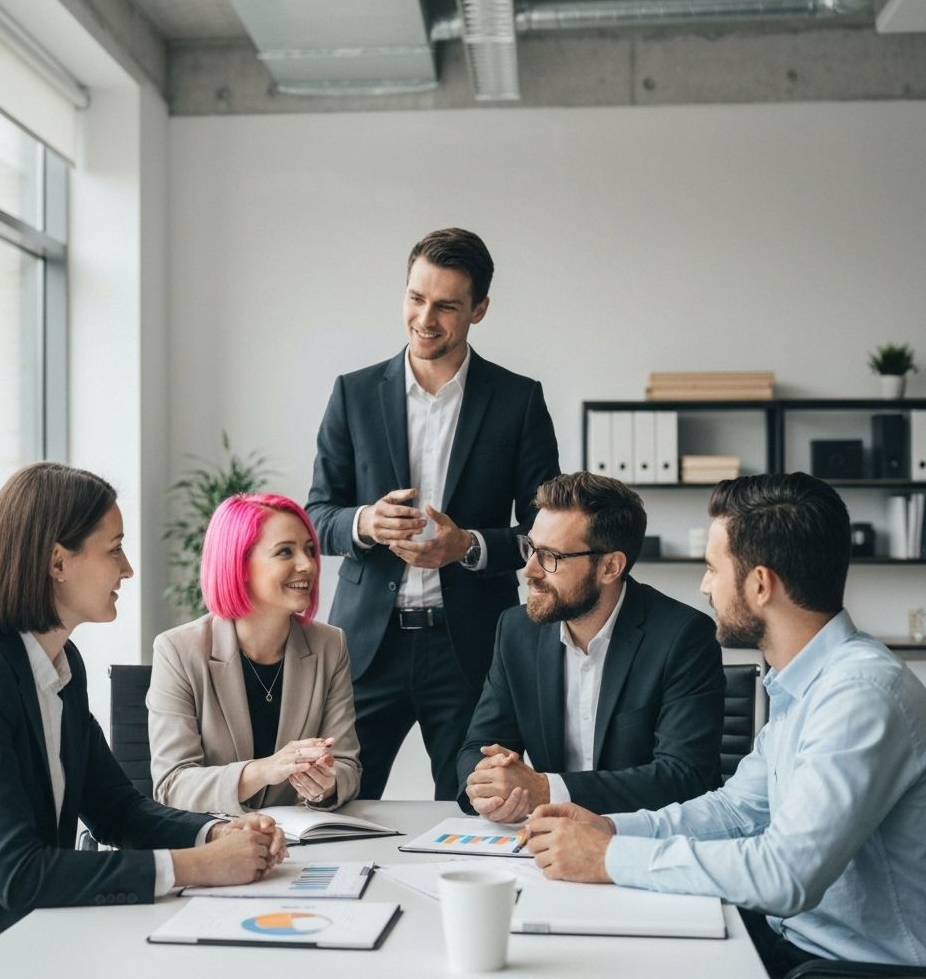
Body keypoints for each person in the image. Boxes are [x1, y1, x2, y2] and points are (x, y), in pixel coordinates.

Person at [523, 473, 926, 977]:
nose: (704, 586)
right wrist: (610, 827)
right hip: (787, 942)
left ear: (760, 585)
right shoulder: (806, 682)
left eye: (713, 569)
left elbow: (785, 876)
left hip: (846, 968)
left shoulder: (860, 695)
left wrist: (609, 857)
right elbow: (737, 812)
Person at [0, 463, 286, 963]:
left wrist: (214, 833)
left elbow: (115, 809)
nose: (127, 569)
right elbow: (19, 874)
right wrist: (199, 865)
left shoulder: (61, 664)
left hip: (24, 927)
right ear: (57, 562)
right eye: (114, 549)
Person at [306, 227, 560, 800]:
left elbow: (547, 533)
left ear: (479, 309)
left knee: (477, 811)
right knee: (336, 806)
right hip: (366, 649)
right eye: (416, 298)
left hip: (470, 650)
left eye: (446, 305)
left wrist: (468, 546)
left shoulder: (518, 401)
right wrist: (364, 523)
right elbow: (316, 516)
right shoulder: (353, 393)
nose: (425, 319)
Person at [458, 471, 724, 820]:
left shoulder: (683, 636)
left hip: (641, 838)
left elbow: (684, 776)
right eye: (530, 548)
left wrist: (547, 789)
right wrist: (487, 786)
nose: (529, 570)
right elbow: (478, 747)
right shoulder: (516, 631)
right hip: (546, 840)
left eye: (550, 556)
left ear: (610, 567)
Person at [148, 493, 361, 814]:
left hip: (297, 837)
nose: (308, 565)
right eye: (285, 551)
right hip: (215, 836)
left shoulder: (330, 644)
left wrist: (326, 785)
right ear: (239, 564)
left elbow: (346, 765)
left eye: (309, 550)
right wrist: (264, 770)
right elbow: (172, 785)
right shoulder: (177, 650)